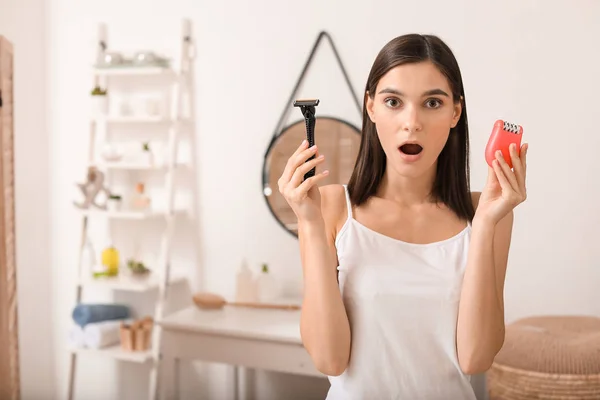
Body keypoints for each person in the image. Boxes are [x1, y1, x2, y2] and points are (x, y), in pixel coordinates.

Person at [277, 33, 528, 399]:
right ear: (371, 107)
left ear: (456, 112)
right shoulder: (329, 208)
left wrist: (486, 224)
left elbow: (476, 357)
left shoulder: (488, 214)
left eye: (432, 103)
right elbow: (330, 360)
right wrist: (311, 225)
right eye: (393, 101)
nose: (412, 122)